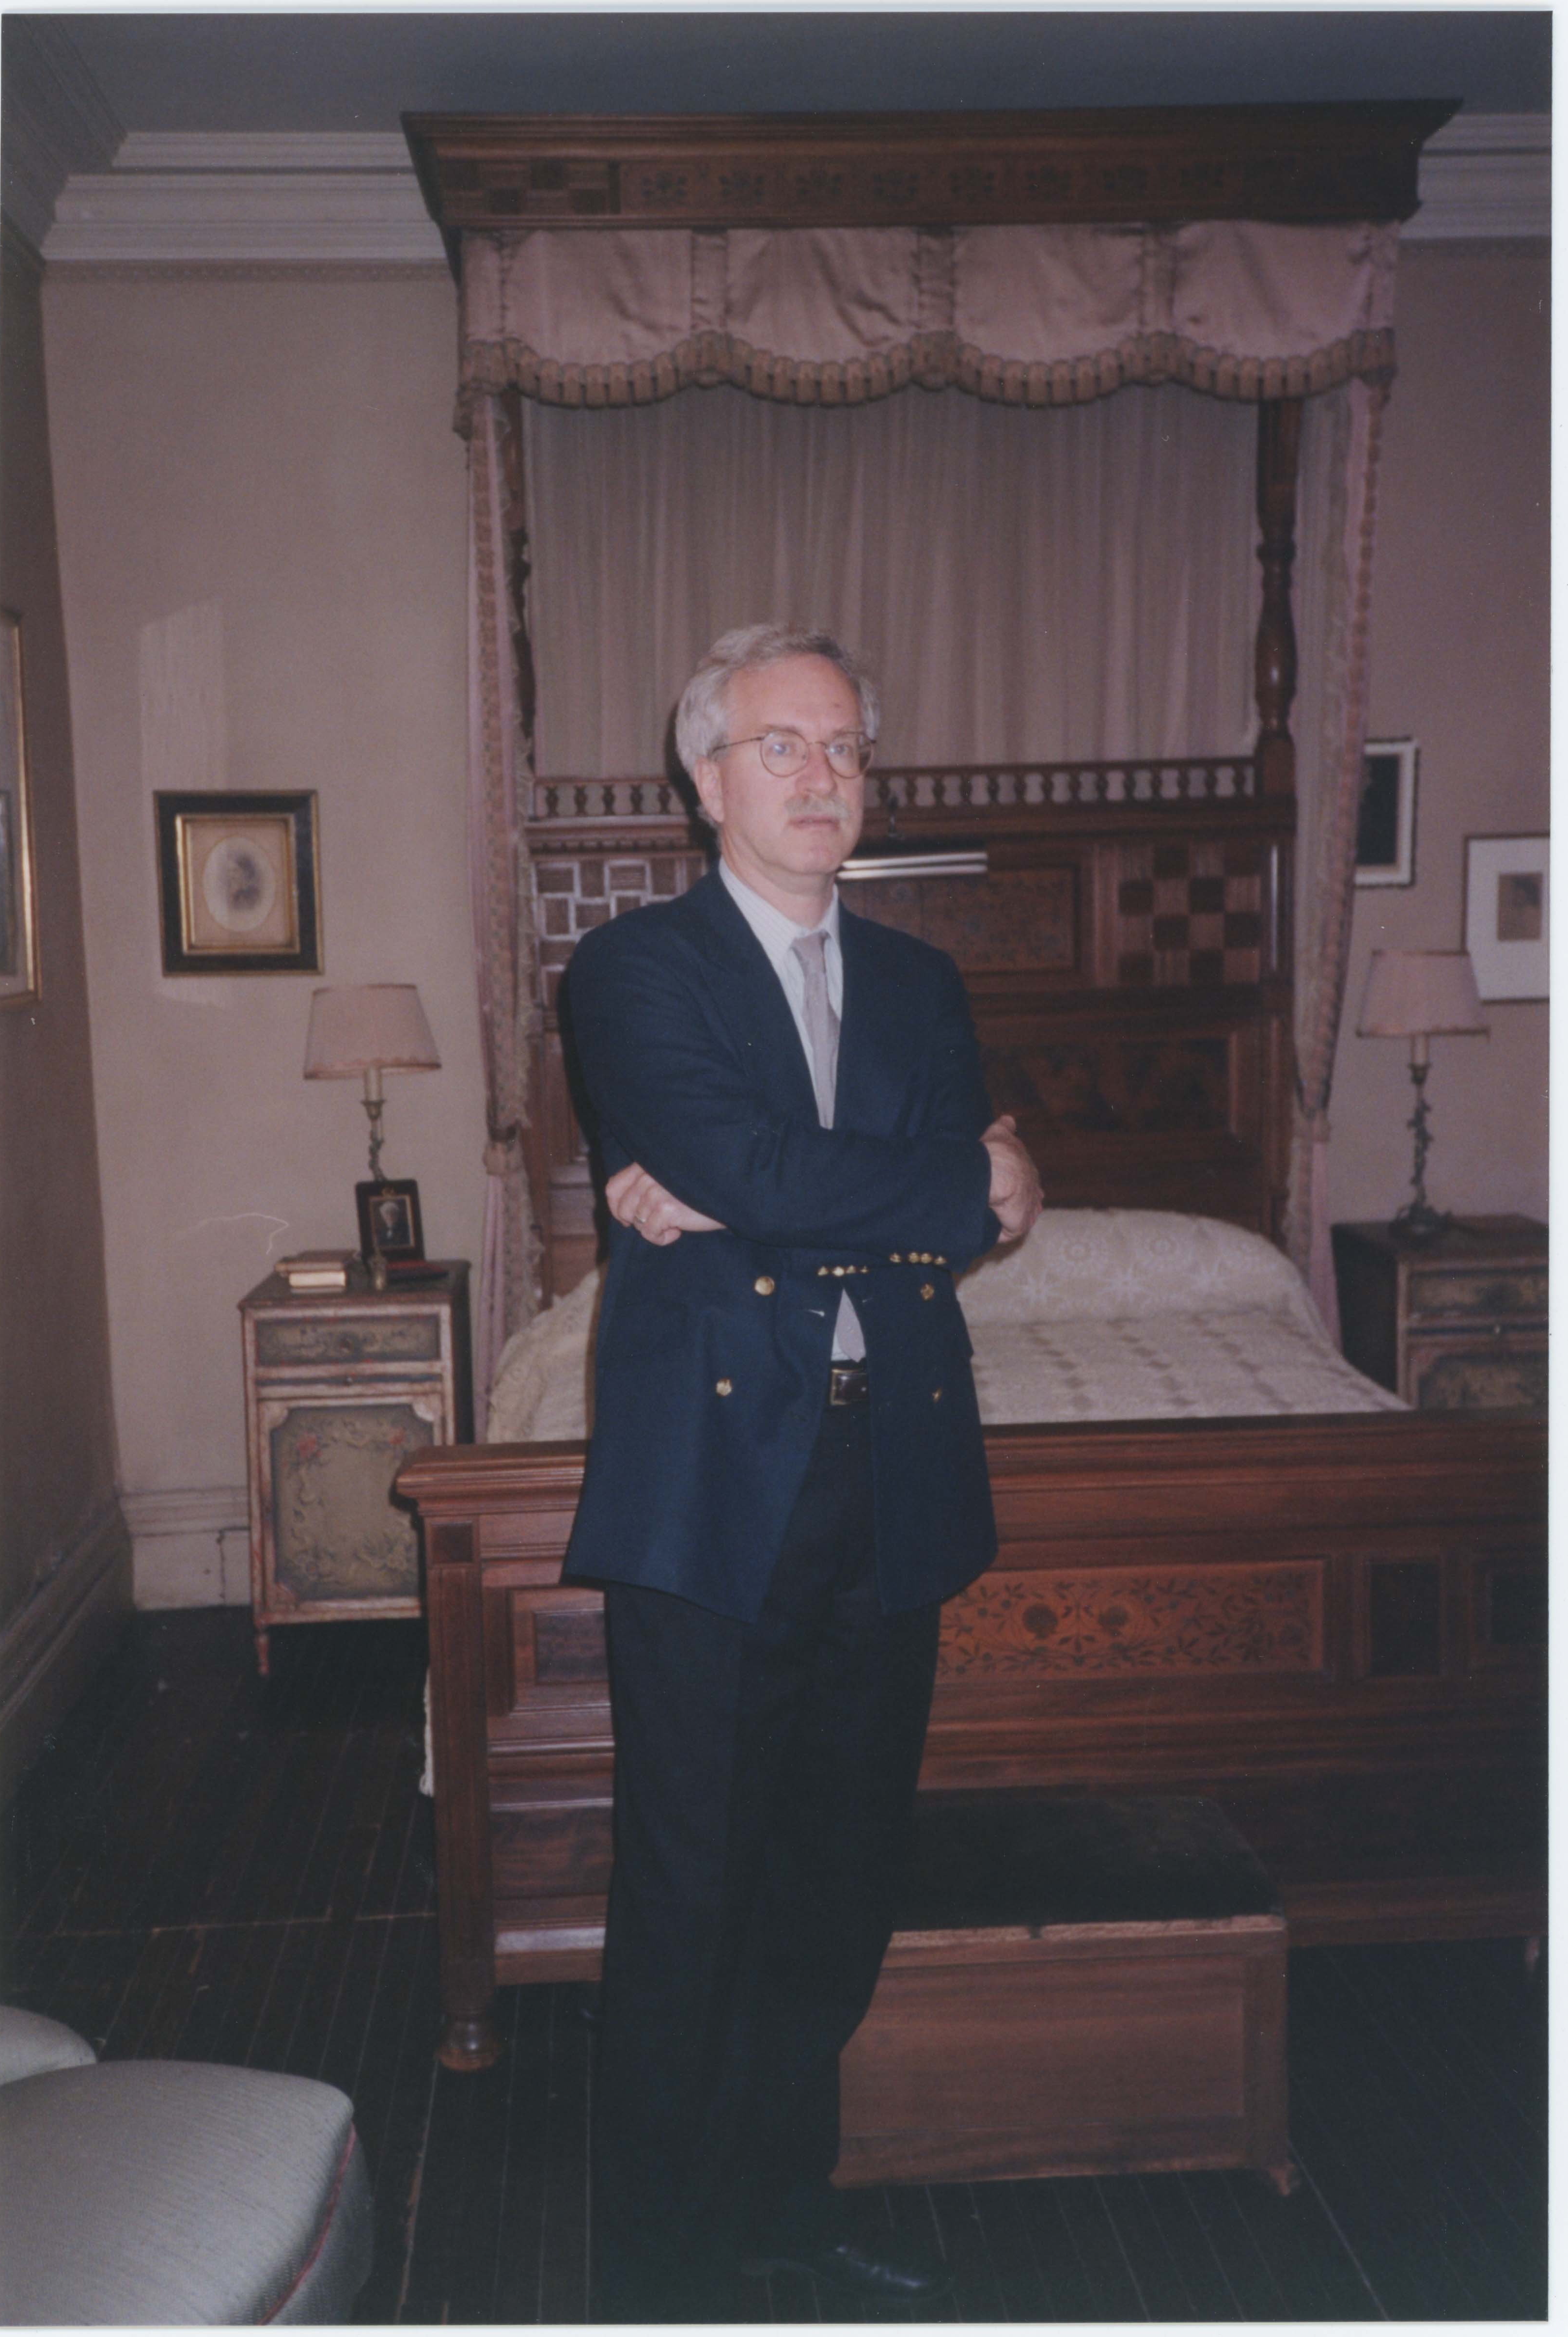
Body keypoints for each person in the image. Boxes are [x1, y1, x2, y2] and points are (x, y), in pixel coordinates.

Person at [562, 623, 1043, 2319]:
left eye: (843, 747)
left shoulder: (919, 984)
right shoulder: (633, 970)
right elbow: (815, 1171)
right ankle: (662, 2263)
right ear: (705, 779)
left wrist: (775, 1189)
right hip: (715, 1477)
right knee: (692, 1885)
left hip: (889, 1472)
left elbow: (862, 1203)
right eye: (780, 746)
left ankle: (785, 2212)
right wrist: (949, 1178)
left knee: (837, 1878)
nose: (820, 775)